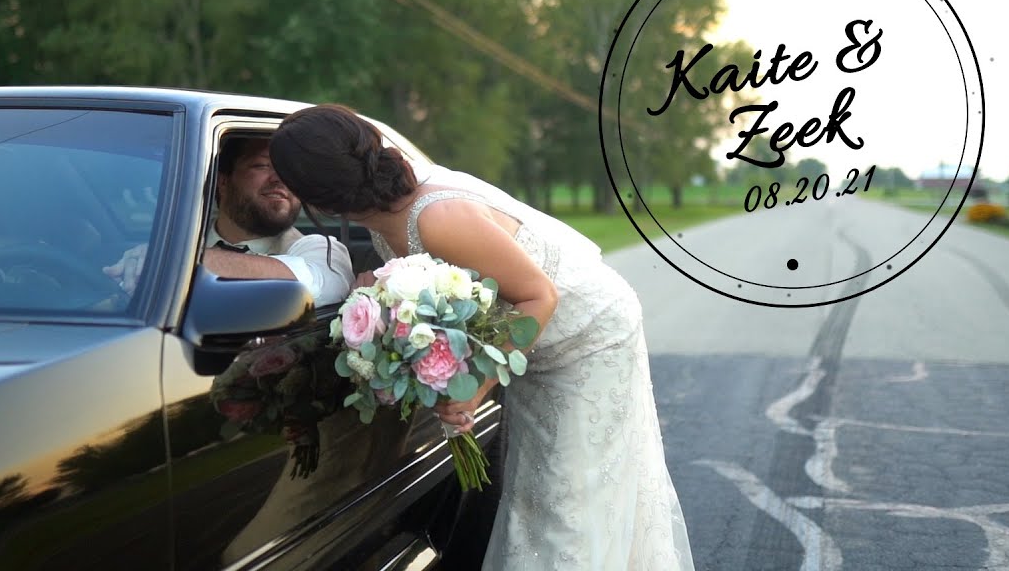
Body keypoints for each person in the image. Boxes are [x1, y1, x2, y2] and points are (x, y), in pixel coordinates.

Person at [268, 104, 695, 571]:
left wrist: (474, 388)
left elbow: (539, 297)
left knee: (569, 500)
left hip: (588, 337)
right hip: (533, 343)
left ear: (322, 203)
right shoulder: (389, 217)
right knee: (533, 487)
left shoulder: (437, 218)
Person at [104, 136, 354, 306]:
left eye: (288, 170)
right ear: (223, 181)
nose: (279, 179)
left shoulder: (320, 248)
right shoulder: (177, 242)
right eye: (262, 165)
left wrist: (175, 262)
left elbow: (322, 284)